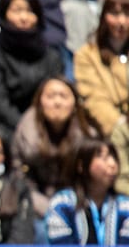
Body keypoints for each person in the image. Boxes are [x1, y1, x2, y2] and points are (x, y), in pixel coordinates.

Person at [0, 0, 65, 131]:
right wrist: (24, 126)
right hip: (4, 127)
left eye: (30, 11)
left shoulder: (51, 56)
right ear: (4, 14)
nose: (24, 18)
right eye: (17, 11)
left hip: (45, 125)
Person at [12, 76, 96, 218]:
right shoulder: (25, 134)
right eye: (50, 96)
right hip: (34, 205)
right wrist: (47, 208)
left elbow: (92, 179)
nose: (57, 102)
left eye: (63, 96)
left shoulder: (88, 135)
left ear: (75, 104)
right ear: (40, 103)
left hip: (78, 204)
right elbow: (19, 176)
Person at [47, 138, 129, 246]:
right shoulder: (62, 204)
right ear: (81, 166)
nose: (112, 164)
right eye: (103, 158)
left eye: (114, 157)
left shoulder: (124, 206)